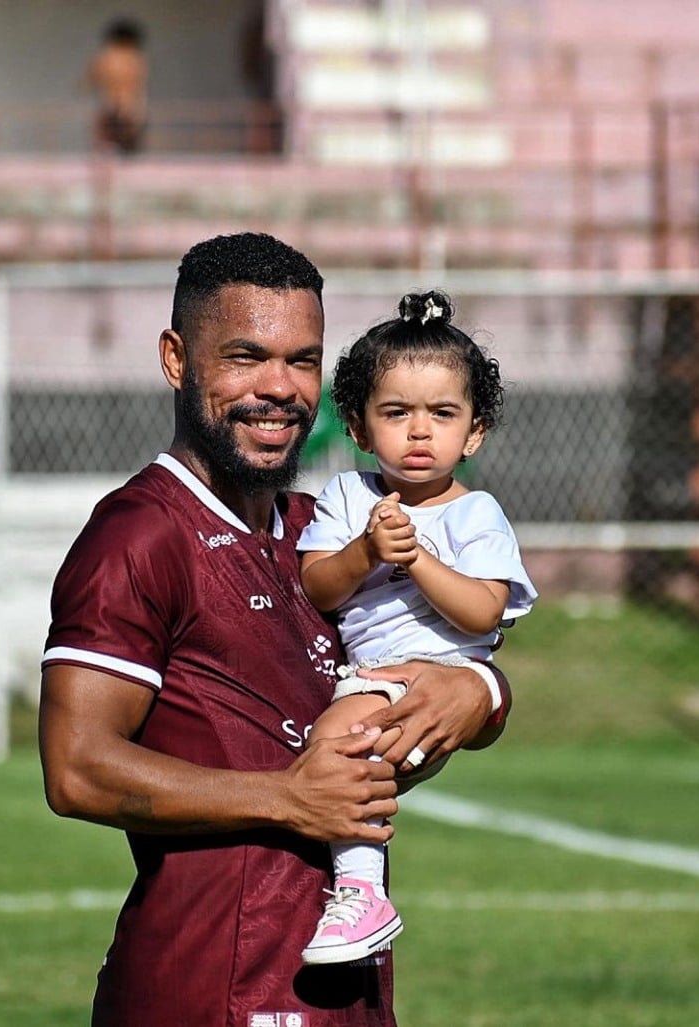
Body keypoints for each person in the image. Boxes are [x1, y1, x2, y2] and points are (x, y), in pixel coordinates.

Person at [39, 233, 515, 1026]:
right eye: (246, 356)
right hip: (208, 989)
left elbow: (439, 651)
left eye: (302, 360)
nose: (280, 387)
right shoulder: (137, 534)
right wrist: (289, 798)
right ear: (175, 359)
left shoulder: (324, 532)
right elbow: (77, 768)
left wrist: (482, 690)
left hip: (342, 988)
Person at [296, 291, 537, 965]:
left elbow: (483, 611)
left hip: (436, 673)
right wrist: (367, 551)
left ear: (476, 430)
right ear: (359, 427)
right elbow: (318, 585)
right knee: (340, 755)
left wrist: (416, 559)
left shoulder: (477, 513)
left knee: (338, 743)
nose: (421, 431)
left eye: (442, 413)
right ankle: (355, 887)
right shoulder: (348, 497)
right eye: (397, 413)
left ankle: (363, 891)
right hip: (371, 674)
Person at [86, 17, 148, 155]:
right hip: (130, 109)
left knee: (105, 153)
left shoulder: (106, 57)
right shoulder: (136, 58)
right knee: (128, 154)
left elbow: (91, 81)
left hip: (109, 107)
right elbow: (140, 88)